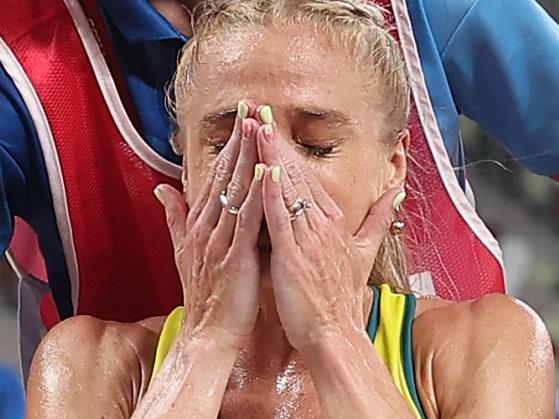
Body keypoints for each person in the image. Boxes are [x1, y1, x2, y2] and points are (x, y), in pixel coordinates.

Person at [25, 1, 556, 417]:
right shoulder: (83, 364)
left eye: (316, 145)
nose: (267, 176)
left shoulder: (491, 345)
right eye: (226, 142)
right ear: (183, 166)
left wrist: (332, 335)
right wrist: (207, 341)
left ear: (392, 167)